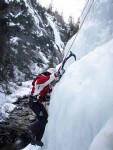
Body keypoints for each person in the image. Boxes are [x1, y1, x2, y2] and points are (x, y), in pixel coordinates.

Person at [26, 68, 58, 147]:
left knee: (44, 119)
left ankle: (37, 139)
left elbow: (50, 90)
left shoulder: (46, 84)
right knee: (43, 118)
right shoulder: (41, 78)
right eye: (50, 75)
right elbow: (47, 80)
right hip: (34, 102)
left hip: (36, 103)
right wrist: (56, 75)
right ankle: (30, 130)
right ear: (48, 74)